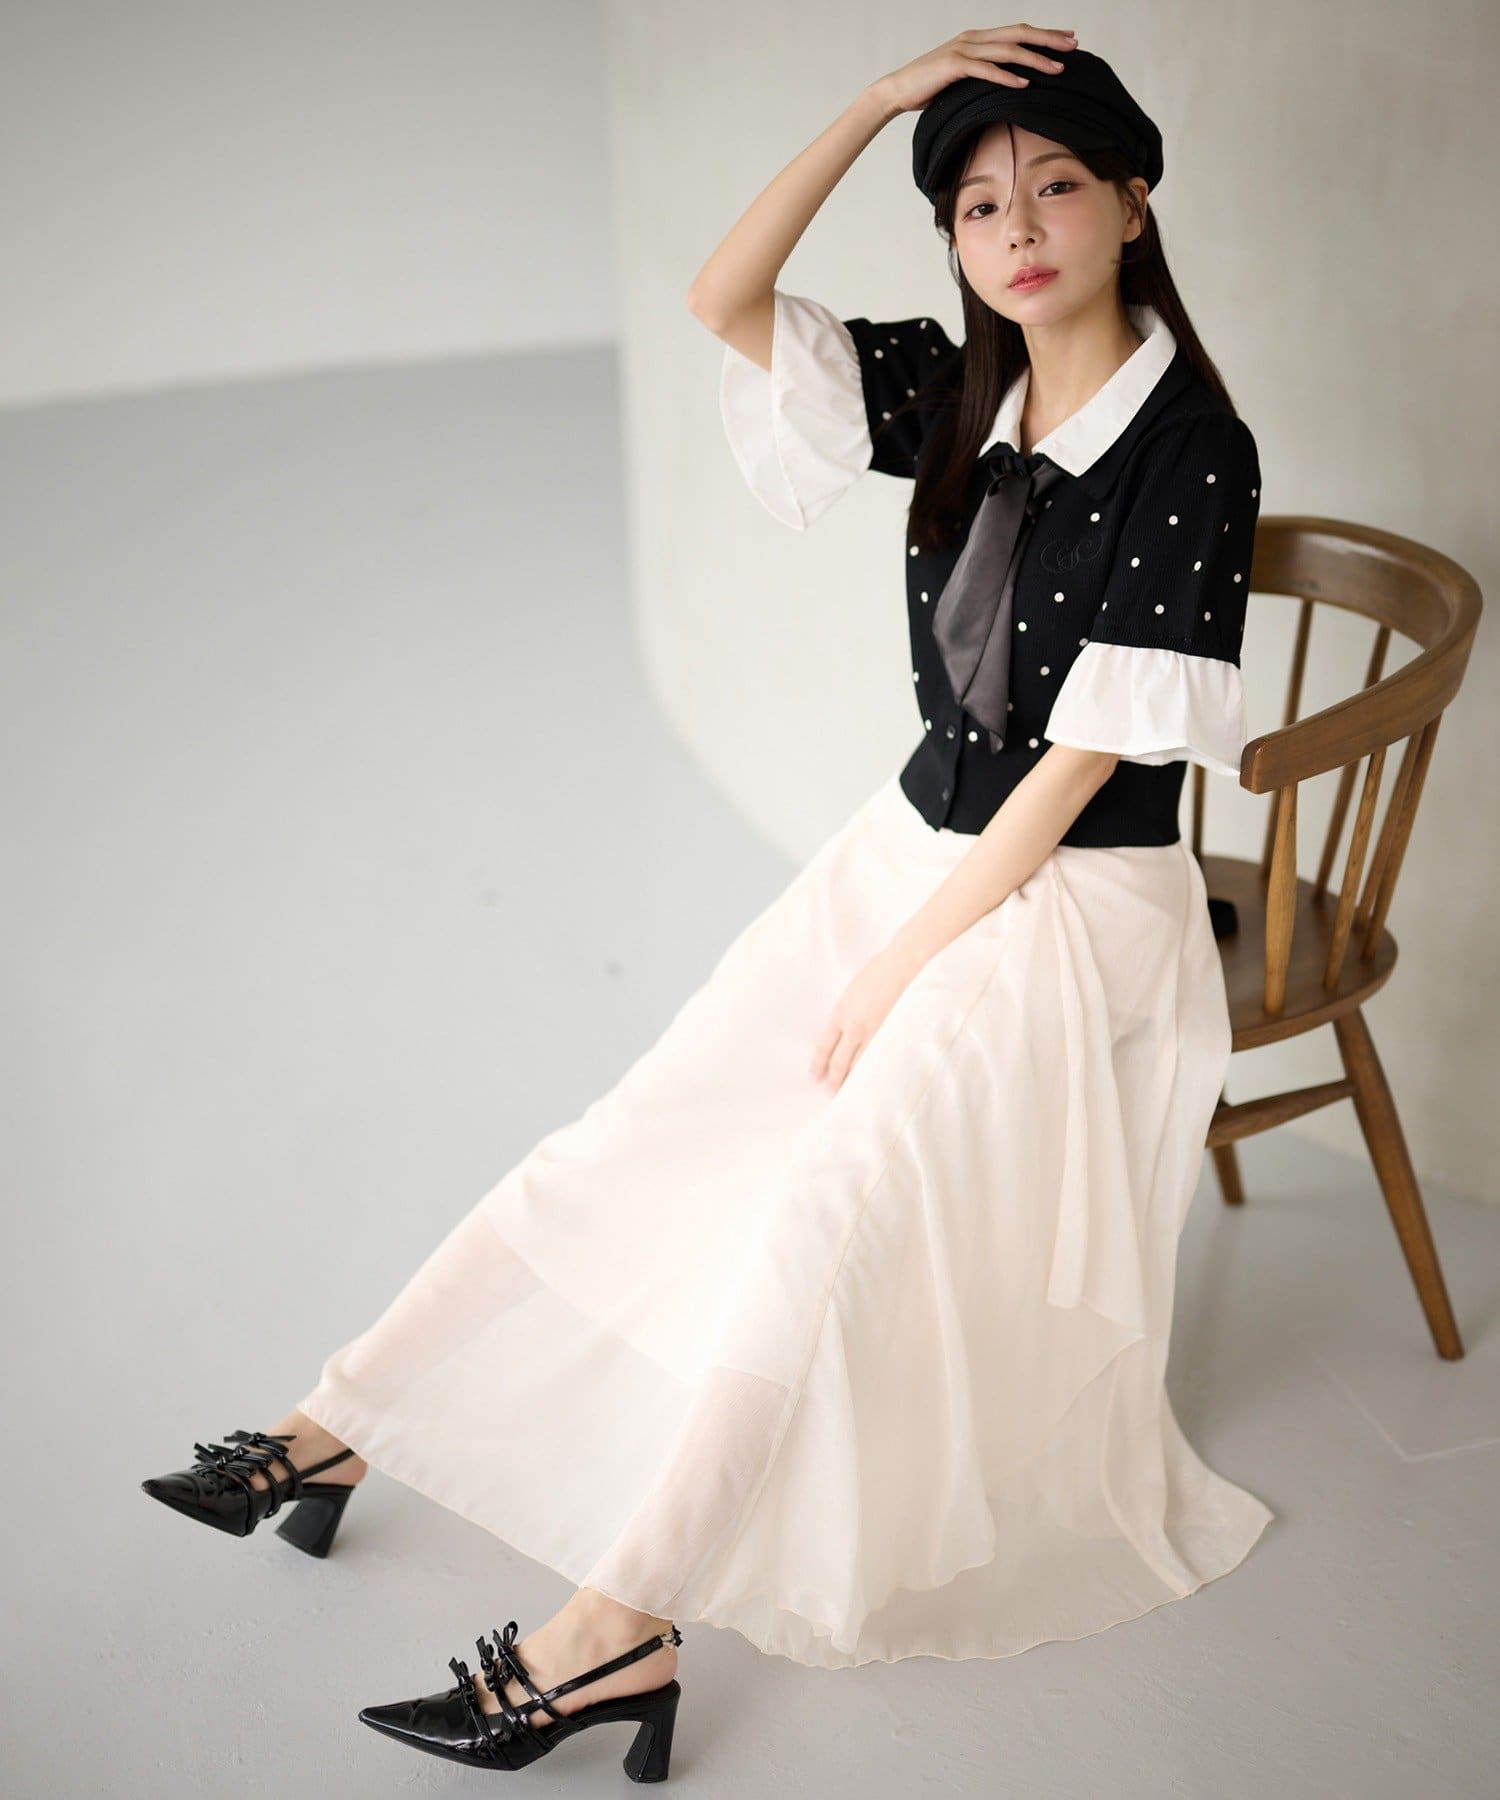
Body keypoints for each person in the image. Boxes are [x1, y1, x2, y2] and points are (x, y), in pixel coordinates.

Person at [140, 23, 1274, 1779]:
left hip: (1069, 899)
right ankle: (339, 1423)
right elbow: (721, 295)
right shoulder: (960, 392)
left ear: (1133, 202)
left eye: (1056, 186)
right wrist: (876, 105)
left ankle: (610, 1631)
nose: (1020, 230)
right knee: (643, 1130)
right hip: (912, 845)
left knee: (818, 1220)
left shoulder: (1193, 445)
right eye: (979, 206)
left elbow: (1079, 773)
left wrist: (899, 967)